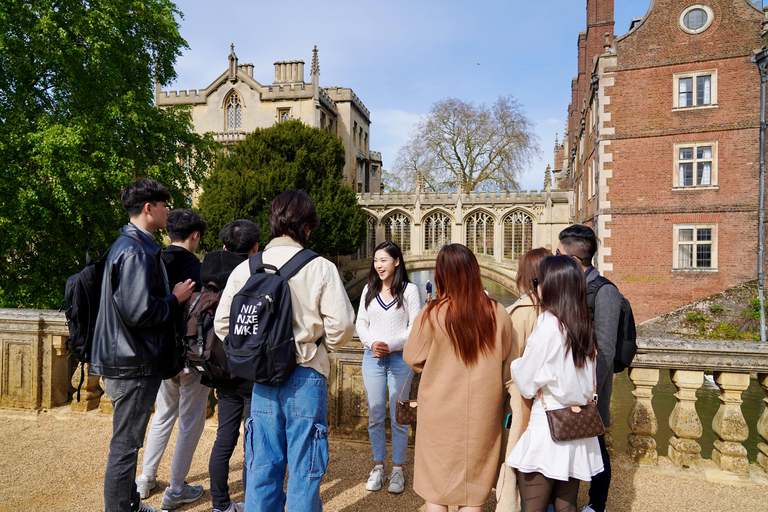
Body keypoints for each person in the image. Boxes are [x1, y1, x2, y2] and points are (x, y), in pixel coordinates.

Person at [214, 190, 356, 512]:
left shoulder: (247, 268)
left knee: (261, 468)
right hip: (305, 376)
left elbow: (224, 325)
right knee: (305, 472)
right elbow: (344, 326)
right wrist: (317, 347)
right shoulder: (320, 267)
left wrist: (254, 352)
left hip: (263, 379)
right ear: (307, 227)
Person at [90, 179, 195, 512]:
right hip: (131, 361)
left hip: (125, 356)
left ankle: (130, 503)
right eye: (164, 204)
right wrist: (175, 299)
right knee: (125, 446)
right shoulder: (136, 249)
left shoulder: (130, 243)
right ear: (148, 208)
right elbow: (139, 311)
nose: (168, 210)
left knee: (128, 443)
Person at [404, 244, 512, 512]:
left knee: (435, 491)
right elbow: (508, 363)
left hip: (439, 411)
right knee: (473, 492)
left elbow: (412, 357)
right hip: (482, 411)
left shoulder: (432, 313)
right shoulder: (498, 312)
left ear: (441, 275)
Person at [505, 255, 604, 512]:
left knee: (533, 508)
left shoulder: (549, 325)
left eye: (537, 280)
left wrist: (516, 364)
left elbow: (525, 383)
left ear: (551, 285)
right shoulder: (583, 325)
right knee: (567, 506)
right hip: (577, 428)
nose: (535, 285)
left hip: (547, 427)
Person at [136, 209, 209, 510]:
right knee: (191, 420)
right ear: (195, 236)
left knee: (163, 413)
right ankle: (176, 488)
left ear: (168, 233)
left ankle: (144, 478)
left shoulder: (154, 259)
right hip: (190, 354)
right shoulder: (198, 268)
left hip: (161, 352)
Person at [557, 225, 621, 512]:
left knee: (596, 447)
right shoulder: (567, 287)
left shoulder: (605, 292)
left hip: (591, 389)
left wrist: (590, 393)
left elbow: (606, 350)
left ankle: (598, 504)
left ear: (572, 259)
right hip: (566, 385)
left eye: (557, 253)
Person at [202, 219, 261, 512]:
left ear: (224, 245)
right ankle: (253, 503)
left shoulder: (209, 271)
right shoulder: (254, 274)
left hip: (220, 367)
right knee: (254, 442)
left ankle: (220, 504)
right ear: (255, 248)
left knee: (224, 439)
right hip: (250, 371)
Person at [355, 241, 422, 494]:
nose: (378, 265)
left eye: (383, 260)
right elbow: (361, 322)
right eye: (375, 260)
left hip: (399, 359)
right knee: (375, 414)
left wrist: (390, 345)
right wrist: (373, 343)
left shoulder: (410, 290)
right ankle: (378, 466)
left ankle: (398, 469)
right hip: (371, 357)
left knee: (400, 415)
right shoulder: (368, 289)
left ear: (396, 261)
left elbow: (414, 326)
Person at [495, 247, 552, 512]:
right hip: (553, 404)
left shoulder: (520, 312)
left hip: (523, 405)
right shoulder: (560, 310)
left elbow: (509, 367)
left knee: (517, 461)